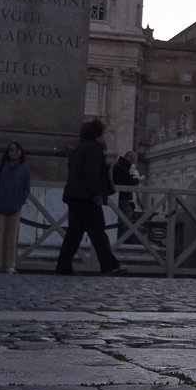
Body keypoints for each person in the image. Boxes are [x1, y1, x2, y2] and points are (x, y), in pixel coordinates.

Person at [55, 118, 124, 276]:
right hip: (87, 197)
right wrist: (97, 194)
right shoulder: (94, 148)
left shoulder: (78, 148)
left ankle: (63, 266)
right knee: (98, 232)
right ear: (98, 133)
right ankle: (109, 265)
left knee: (74, 234)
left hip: (74, 196)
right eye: (103, 133)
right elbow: (91, 173)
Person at [0, 141, 31, 273]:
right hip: (0, 205)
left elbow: (26, 188)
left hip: (14, 206)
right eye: (12, 150)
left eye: (17, 150)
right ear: (8, 152)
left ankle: (10, 264)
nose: (14, 152)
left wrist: (20, 201)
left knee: (12, 237)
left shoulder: (24, 169)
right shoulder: (0, 167)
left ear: (21, 152)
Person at [112, 150, 139, 240]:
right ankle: (121, 239)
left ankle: (120, 238)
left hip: (119, 195)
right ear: (130, 158)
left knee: (121, 218)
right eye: (133, 160)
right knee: (122, 219)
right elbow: (126, 181)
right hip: (123, 196)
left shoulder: (119, 164)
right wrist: (137, 181)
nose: (132, 163)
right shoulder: (124, 166)